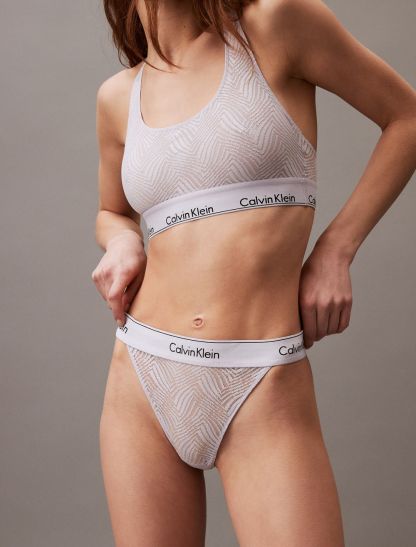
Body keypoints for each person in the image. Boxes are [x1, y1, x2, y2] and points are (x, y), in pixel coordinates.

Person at [91, 0, 416, 545]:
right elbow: (112, 211)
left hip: (263, 379)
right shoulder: (117, 96)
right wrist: (122, 241)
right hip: (142, 377)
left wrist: (336, 249)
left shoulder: (277, 24)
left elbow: (407, 117)